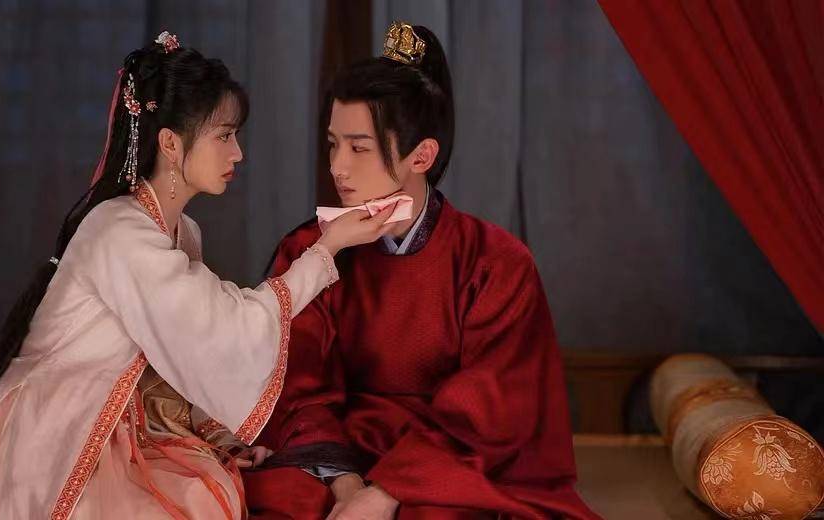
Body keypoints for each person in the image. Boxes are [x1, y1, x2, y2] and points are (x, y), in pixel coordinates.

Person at [0, 31, 396, 520]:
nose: (238, 154)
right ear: (170, 143)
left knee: (213, 489)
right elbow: (225, 326)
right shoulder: (118, 230)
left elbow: (187, 351)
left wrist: (216, 435)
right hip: (62, 431)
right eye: (224, 136)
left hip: (121, 419)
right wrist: (326, 248)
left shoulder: (180, 230)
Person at [243, 22, 599, 520]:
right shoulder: (311, 250)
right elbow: (300, 385)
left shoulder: (496, 262)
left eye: (359, 147)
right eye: (332, 144)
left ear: (422, 155)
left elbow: (490, 407)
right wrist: (347, 486)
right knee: (281, 501)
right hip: (340, 447)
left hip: (448, 457)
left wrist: (384, 493)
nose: (338, 167)